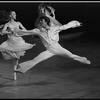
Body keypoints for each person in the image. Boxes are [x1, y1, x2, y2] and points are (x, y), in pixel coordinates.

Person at [15, 16, 91, 74]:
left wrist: (77, 23)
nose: (40, 22)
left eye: (42, 21)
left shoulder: (54, 28)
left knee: (71, 56)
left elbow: (65, 26)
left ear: (46, 22)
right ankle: (21, 69)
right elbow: (26, 32)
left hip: (57, 48)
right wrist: (16, 32)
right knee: (35, 60)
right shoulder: (38, 31)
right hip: (49, 50)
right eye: (40, 21)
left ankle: (84, 60)